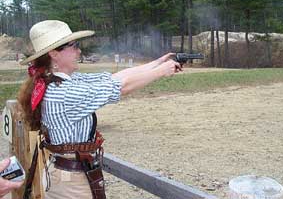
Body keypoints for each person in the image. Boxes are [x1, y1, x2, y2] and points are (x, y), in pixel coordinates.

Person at [17, 20, 182, 199]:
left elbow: (116, 78)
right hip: (72, 180)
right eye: (73, 46)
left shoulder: (62, 82)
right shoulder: (63, 92)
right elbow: (122, 87)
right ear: (54, 54)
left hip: (72, 175)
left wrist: (157, 63)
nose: (79, 51)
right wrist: (161, 72)